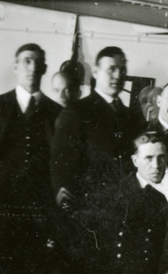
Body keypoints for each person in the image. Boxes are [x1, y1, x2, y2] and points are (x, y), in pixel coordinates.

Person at [0, 43, 63, 274]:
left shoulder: (57, 113)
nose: (32, 67)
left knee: (32, 273)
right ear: (15, 66)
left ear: (44, 69)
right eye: (26, 61)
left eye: (38, 62)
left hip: (38, 212)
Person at [69, 131, 168, 274]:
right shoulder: (112, 195)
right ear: (135, 161)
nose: (156, 165)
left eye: (161, 157)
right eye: (149, 158)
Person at [51, 46, 144, 212]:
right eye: (111, 69)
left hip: (125, 206)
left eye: (122, 70)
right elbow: (62, 164)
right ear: (95, 72)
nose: (118, 75)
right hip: (88, 206)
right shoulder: (77, 111)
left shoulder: (132, 116)